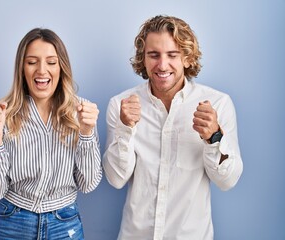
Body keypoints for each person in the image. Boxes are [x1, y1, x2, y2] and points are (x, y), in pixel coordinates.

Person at [103, 15, 243, 239]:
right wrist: (125, 129)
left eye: (172, 55)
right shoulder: (122, 104)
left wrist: (214, 137)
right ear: (144, 59)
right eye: (154, 55)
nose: (162, 65)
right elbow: (116, 179)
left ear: (187, 58)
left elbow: (227, 181)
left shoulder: (218, 104)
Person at [0, 28, 102, 240]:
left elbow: (88, 184)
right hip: (12, 222)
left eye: (51, 62)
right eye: (32, 62)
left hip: (64, 224)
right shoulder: (3, 115)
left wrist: (87, 133)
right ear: (22, 68)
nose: (42, 70)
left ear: (61, 67)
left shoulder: (81, 113)